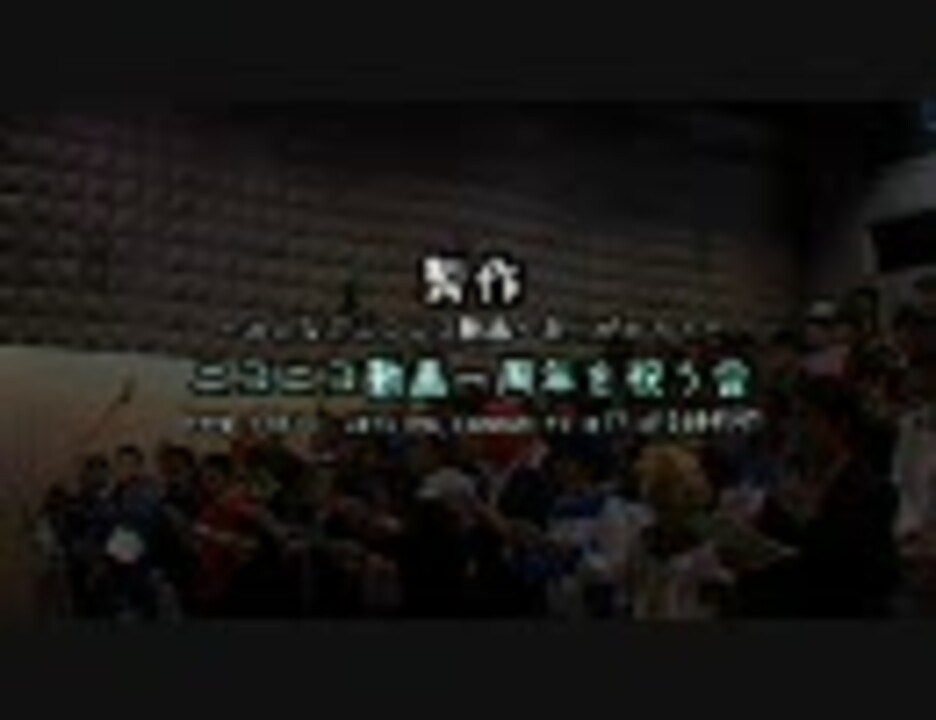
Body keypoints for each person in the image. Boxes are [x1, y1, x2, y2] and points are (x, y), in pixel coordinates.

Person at [742, 378, 901, 617]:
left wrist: (806, 521)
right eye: (793, 417)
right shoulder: (791, 479)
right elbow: (768, 541)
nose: (795, 428)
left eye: (806, 417)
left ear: (841, 425)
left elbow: (865, 577)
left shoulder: (871, 492)